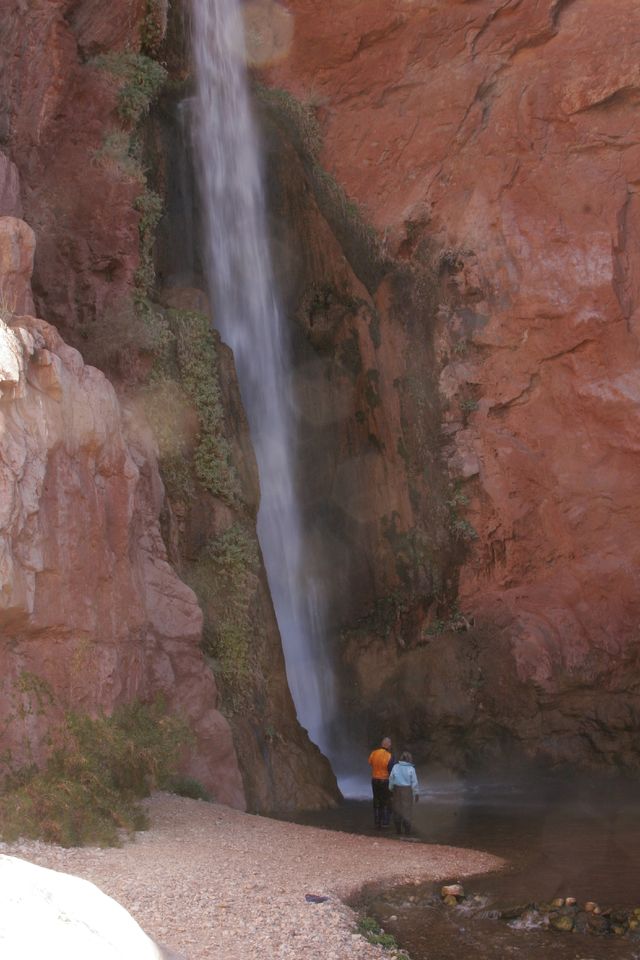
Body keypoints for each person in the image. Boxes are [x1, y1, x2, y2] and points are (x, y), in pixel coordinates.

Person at [388, 750, 419, 835]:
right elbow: (414, 782)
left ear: (401, 758)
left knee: (397, 810)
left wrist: (390, 789)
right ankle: (407, 832)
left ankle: (398, 831)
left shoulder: (395, 767)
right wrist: (416, 793)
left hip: (397, 790)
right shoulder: (411, 769)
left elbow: (391, 779)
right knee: (407, 811)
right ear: (410, 759)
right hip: (407, 791)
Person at [368, 736, 393, 829]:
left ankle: (376, 821)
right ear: (388, 745)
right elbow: (391, 769)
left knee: (376, 799)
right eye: (390, 744)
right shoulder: (389, 756)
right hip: (384, 780)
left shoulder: (374, 753)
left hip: (374, 779)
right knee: (385, 801)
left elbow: (370, 762)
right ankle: (384, 822)